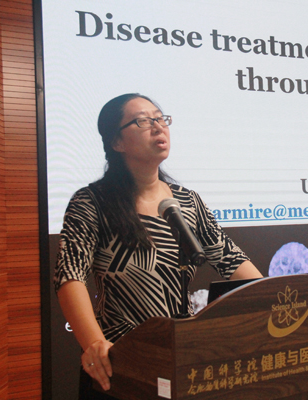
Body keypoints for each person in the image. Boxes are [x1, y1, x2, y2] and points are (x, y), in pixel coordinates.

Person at [54, 93, 262, 399]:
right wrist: (94, 344)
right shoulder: (92, 202)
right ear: (117, 142)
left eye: (160, 118)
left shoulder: (187, 201)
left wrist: (273, 299)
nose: (158, 126)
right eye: (142, 121)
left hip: (181, 359)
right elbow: (69, 274)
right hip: (121, 364)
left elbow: (231, 260)